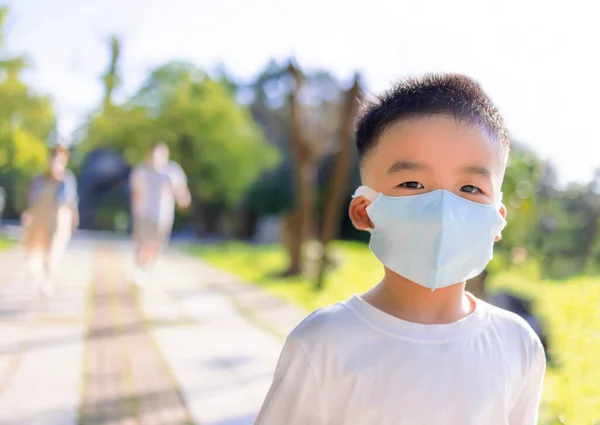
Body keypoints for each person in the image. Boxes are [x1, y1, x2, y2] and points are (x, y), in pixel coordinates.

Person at [255, 74, 546, 425]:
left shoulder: (519, 346)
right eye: (412, 183)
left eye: (470, 188)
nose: (443, 208)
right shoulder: (323, 343)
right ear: (364, 210)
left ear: (497, 221)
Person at [129, 142, 191, 287]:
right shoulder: (141, 171)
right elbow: (135, 192)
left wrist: (184, 200)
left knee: (156, 244)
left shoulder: (172, 171)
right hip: (143, 214)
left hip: (163, 216)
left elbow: (181, 189)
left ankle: (148, 268)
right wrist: (135, 210)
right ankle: (140, 268)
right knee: (142, 243)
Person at [22, 145, 78, 296]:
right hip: (40, 216)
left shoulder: (67, 180)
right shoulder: (39, 180)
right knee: (35, 247)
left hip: (58, 218)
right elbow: (30, 200)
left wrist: (74, 217)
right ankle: (37, 275)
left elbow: (71, 201)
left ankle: (47, 279)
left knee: (53, 249)